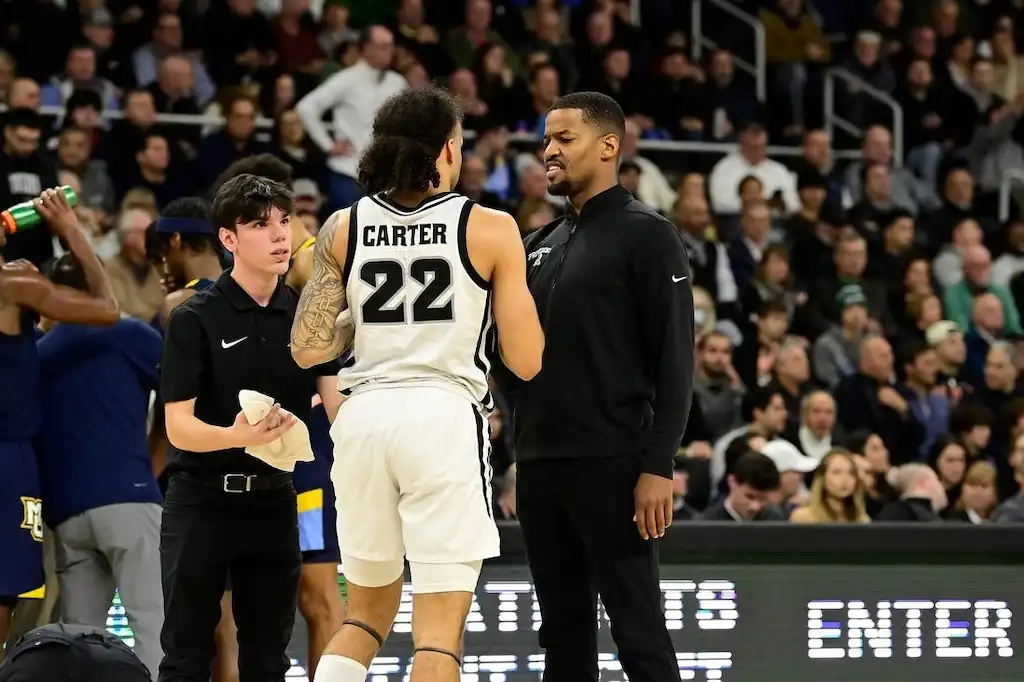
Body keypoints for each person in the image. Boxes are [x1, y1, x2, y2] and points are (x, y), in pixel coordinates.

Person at [288, 86, 544, 682]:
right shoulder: (490, 227)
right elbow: (528, 360)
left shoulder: (343, 226)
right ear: (449, 150)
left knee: (364, 617)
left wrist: (363, 317)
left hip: (362, 419)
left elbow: (308, 346)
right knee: (437, 635)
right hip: (441, 415)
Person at [496, 91, 694, 682]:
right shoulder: (535, 245)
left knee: (638, 631)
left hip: (615, 465)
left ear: (609, 146)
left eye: (564, 139)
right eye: (546, 141)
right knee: (562, 634)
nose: (549, 152)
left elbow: (676, 360)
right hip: (539, 466)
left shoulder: (649, 235)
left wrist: (659, 465)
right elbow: (509, 360)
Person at [158, 174, 343, 682]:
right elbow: (178, 427)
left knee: (268, 657)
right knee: (187, 652)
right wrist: (237, 436)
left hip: (275, 500)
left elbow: (336, 408)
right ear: (229, 239)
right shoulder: (196, 316)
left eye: (284, 221)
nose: (280, 234)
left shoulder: (307, 317)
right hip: (201, 500)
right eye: (261, 225)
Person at [212, 153, 346, 679]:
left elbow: (331, 304)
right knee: (236, 609)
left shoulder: (308, 250)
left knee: (318, 598)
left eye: (280, 218)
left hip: (306, 454)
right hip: (239, 456)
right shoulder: (220, 285)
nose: (275, 230)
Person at [0, 188, 119, 656]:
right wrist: (70, 229)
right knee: (4, 588)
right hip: (9, 454)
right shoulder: (13, 283)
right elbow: (106, 308)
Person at [35, 254, 164, 680]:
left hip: (66, 512)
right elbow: (184, 392)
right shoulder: (127, 333)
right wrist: (155, 458)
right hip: (129, 496)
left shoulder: (39, 354)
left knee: (77, 642)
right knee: (153, 626)